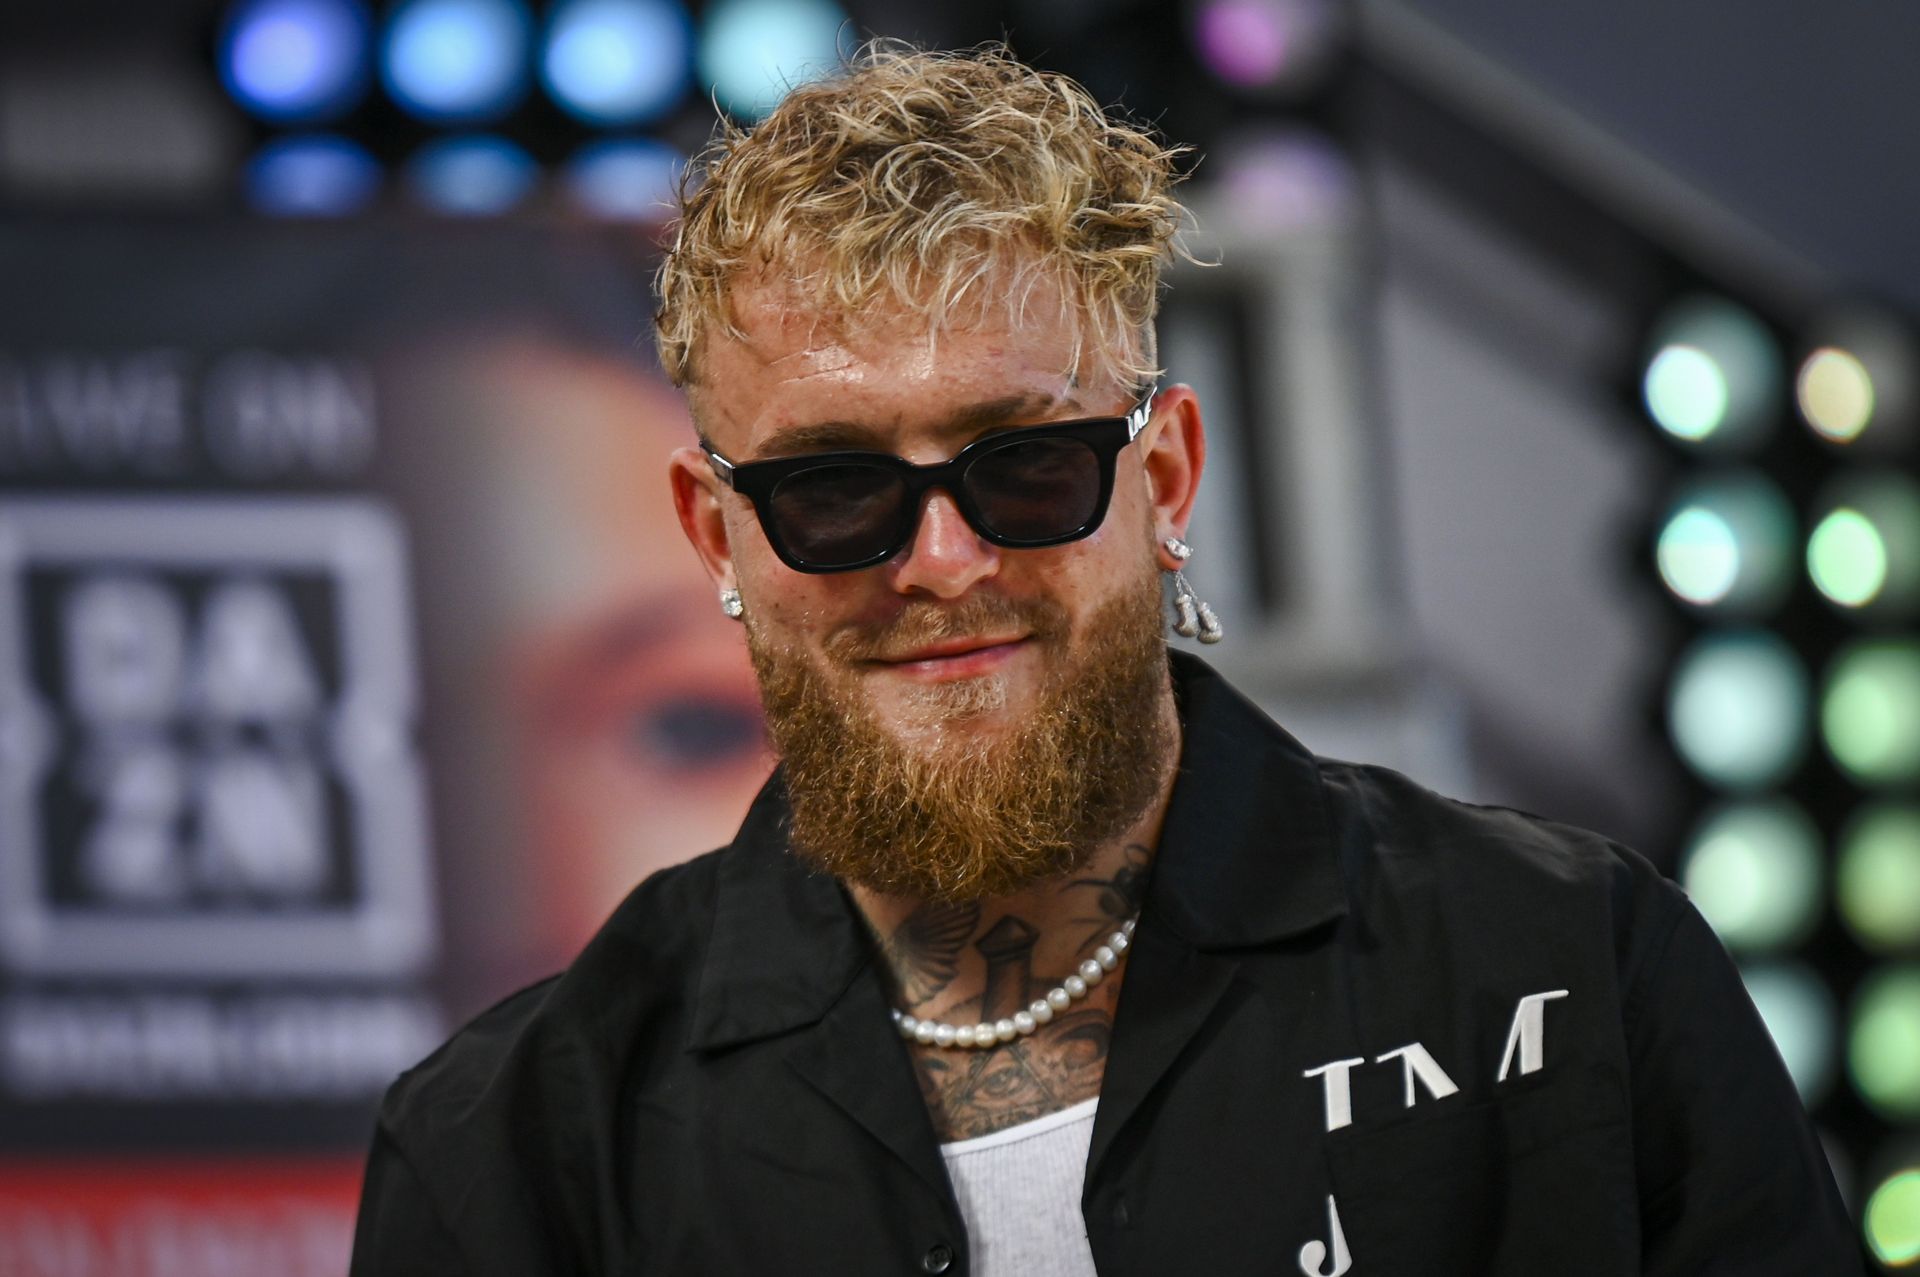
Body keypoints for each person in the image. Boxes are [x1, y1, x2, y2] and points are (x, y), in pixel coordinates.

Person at [350, 43, 1860, 1276]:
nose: (940, 563)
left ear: (1169, 480)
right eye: (833, 491)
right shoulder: (516, 1156)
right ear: (714, 535)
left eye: (1026, 469)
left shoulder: (1572, 969)